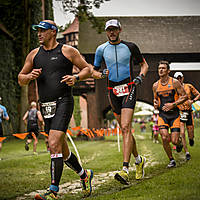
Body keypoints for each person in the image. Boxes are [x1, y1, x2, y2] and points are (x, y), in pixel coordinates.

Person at [18, 20, 93, 200]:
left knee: (53, 144)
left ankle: (53, 190)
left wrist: (76, 77)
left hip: (64, 102)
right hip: (46, 105)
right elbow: (21, 78)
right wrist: (28, 77)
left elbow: (87, 69)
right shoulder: (34, 55)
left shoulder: (67, 51)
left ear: (53, 32)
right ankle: (84, 175)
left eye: (42, 31)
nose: (39, 34)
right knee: (61, 149)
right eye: (37, 31)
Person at [92, 19, 149, 184]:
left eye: (114, 29)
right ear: (106, 31)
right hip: (112, 91)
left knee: (125, 127)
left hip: (129, 87)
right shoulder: (101, 49)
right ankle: (139, 160)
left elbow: (144, 65)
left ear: (120, 30)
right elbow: (92, 71)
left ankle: (125, 169)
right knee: (126, 130)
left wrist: (140, 77)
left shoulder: (130, 47)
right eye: (109, 30)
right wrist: (101, 74)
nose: (112, 32)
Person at [152, 61, 188, 168]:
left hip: (175, 115)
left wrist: (173, 104)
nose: (161, 70)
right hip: (163, 115)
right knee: (164, 137)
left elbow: (185, 96)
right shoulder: (155, 85)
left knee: (174, 141)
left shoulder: (175, 82)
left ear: (168, 71)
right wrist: (155, 104)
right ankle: (171, 160)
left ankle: (179, 143)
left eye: (163, 68)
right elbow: (155, 100)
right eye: (159, 68)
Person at [174, 72, 200, 160]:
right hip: (180, 112)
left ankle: (191, 139)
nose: (179, 80)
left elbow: (198, 94)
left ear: (183, 78)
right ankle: (187, 152)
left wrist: (192, 101)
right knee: (182, 133)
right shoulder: (174, 88)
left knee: (190, 132)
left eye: (180, 78)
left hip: (188, 112)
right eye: (177, 78)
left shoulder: (188, 86)